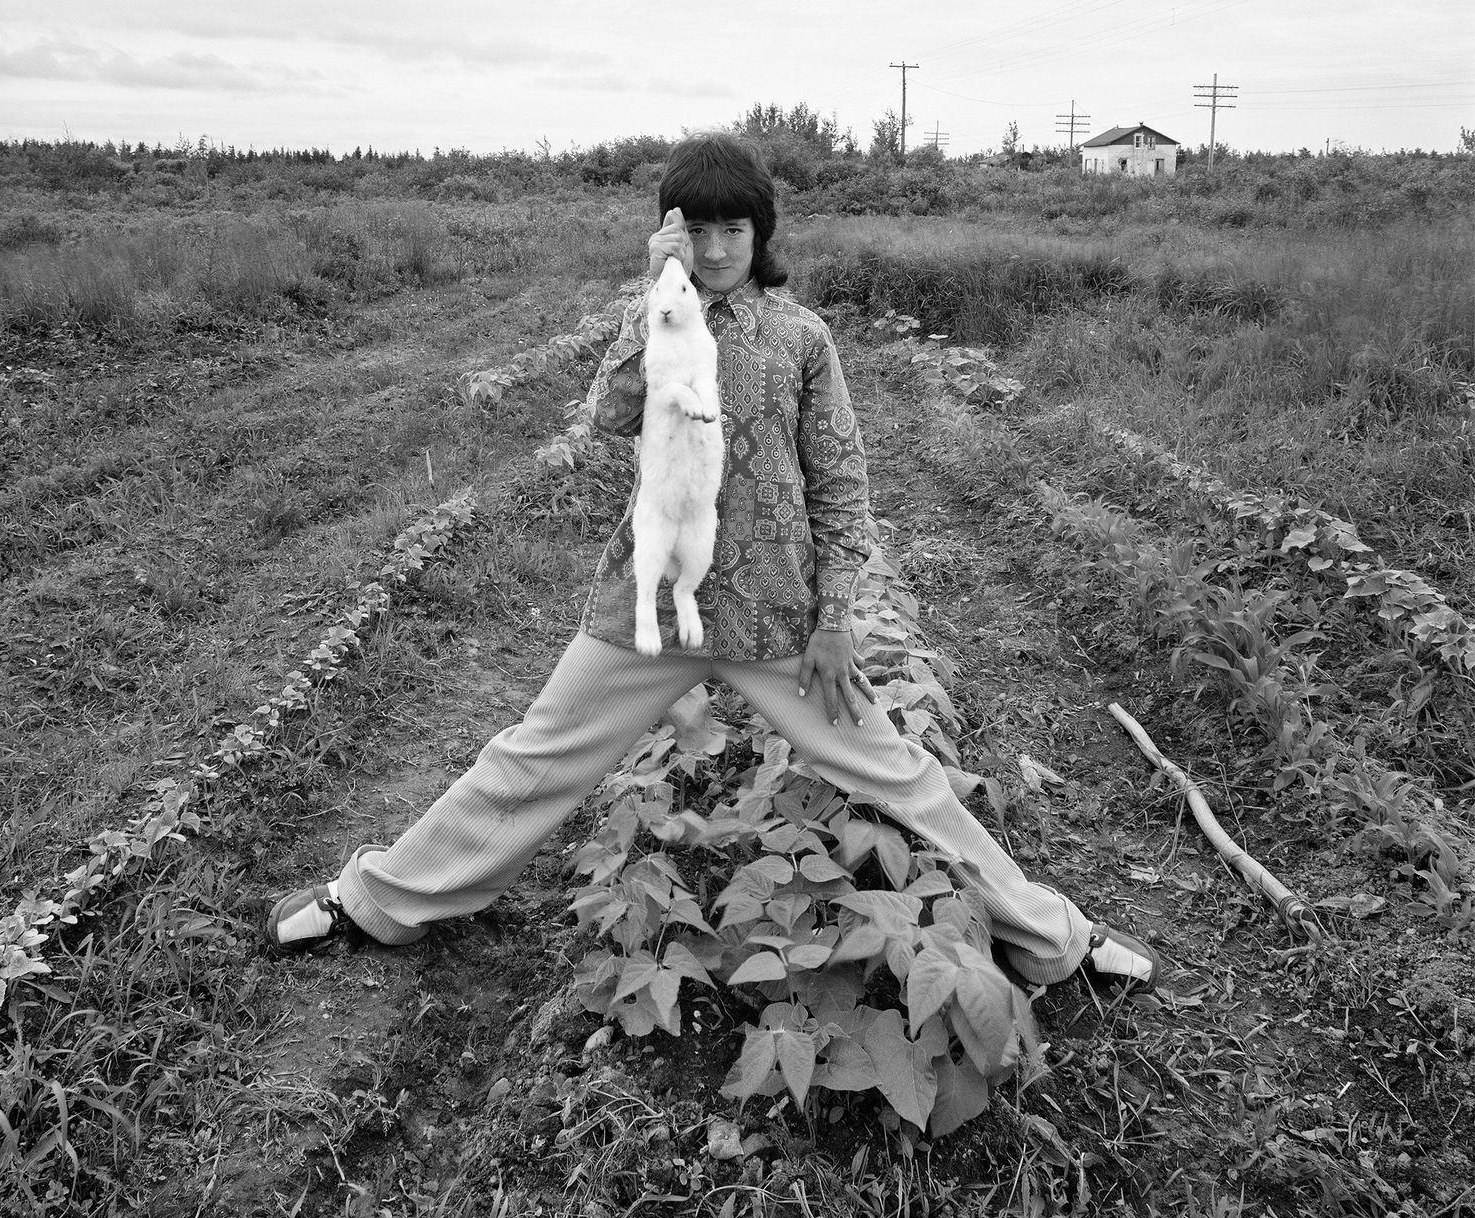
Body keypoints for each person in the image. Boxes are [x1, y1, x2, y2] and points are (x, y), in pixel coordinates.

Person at [265, 132, 1160, 994]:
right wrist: (649, 286)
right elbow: (608, 414)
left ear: (761, 235)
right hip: (651, 607)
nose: (718, 247)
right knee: (535, 757)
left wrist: (837, 619)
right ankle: (376, 901)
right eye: (697, 229)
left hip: (778, 616)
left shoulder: (801, 338)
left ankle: (1055, 942)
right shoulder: (661, 322)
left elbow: (842, 491)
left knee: (902, 776)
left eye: (735, 229)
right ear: (672, 234)